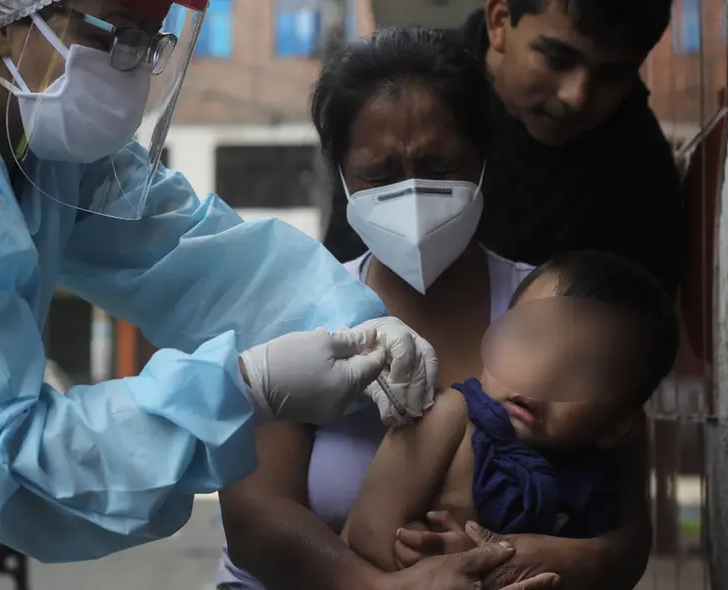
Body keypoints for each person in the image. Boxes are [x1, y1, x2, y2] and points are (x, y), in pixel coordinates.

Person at [0, 1, 442, 588]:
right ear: (6, 23)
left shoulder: (25, 126)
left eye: (151, 37)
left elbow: (186, 247)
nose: (133, 65)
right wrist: (242, 390)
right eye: (117, 30)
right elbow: (2, 461)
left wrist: (354, 320)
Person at [218, 27, 654, 590]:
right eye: (380, 174)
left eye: (439, 165)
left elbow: (627, 539)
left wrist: (514, 556)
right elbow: (254, 522)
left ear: (485, 162)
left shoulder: (569, 314)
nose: (412, 192)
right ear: (344, 178)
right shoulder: (293, 315)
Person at [343, 251, 679, 572]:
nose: (541, 376)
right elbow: (367, 533)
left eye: (584, 370)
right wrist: (445, 560)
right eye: (530, 339)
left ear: (619, 427)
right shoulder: (447, 417)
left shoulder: (602, 475)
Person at [322, 0, 685, 296]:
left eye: (612, 75)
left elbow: (637, 325)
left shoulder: (637, 166)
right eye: (557, 59)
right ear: (500, 21)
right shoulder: (409, 94)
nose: (576, 96)